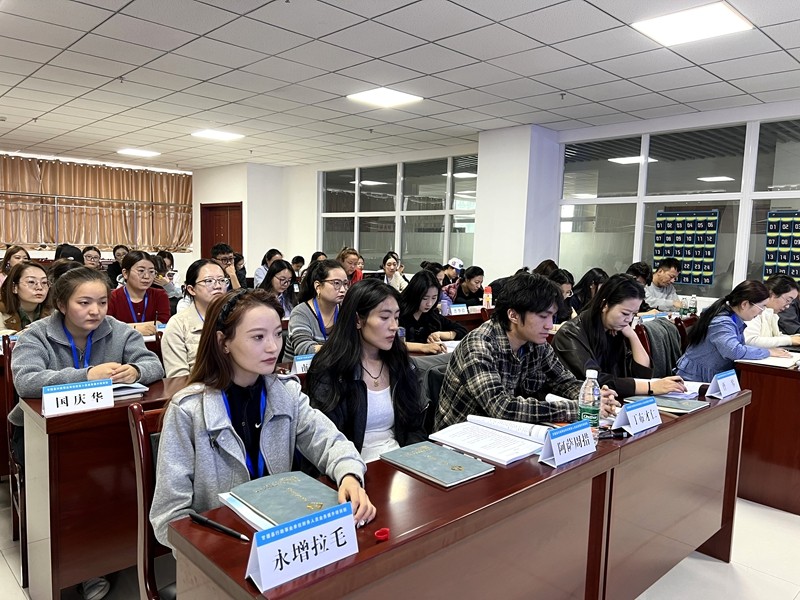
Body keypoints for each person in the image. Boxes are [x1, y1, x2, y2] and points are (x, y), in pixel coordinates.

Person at [150, 289, 375, 550]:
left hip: (281, 536)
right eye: (258, 337)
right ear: (223, 342)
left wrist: (349, 476)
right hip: (222, 548)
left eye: (278, 334)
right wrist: (216, 548)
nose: (273, 347)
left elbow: (331, 443)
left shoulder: (286, 393)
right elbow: (169, 518)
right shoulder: (188, 410)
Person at [10, 266, 164, 600]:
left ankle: (118, 550)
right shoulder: (36, 335)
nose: (95, 311)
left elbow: (155, 366)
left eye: (102, 302)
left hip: (104, 430)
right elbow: (26, 381)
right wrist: (87, 375)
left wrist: (135, 369)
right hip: (41, 435)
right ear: (61, 304)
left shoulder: (118, 330)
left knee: (134, 473)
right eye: (84, 303)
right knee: (74, 486)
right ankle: (83, 565)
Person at [435, 273, 619, 431]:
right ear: (513, 315)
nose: (549, 325)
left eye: (552, 316)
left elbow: (563, 381)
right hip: (459, 439)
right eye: (543, 316)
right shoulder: (479, 345)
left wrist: (592, 397)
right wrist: (576, 408)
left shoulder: (536, 343)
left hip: (503, 431)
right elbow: (501, 407)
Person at [306, 279, 427, 461]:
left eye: (396, 317)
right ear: (358, 320)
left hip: (400, 462)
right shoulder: (330, 369)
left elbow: (414, 427)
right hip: (349, 467)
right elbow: (325, 440)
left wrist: (413, 461)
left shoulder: (399, 363)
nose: (394, 326)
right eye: (384, 317)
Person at [553, 274, 687, 399]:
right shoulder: (570, 334)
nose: (629, 319)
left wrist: (632, 336)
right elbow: (596, 380)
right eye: (625, 313)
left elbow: (641, 374)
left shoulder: (615, 330)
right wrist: (650, 387)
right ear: (605, 305)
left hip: (610, 401)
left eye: (634, 314)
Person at [676, 280, 792, 382]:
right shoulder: (722, 322)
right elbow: (734, 351)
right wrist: (768, 352)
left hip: (713, 375)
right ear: (744, 304)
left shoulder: (733, 317)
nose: (762, 312)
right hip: (694, 379)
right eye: (761, 307)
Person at [161, 259, 228, 378]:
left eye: (222, 280)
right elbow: (178, 378)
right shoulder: (178, 324)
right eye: (209, 281)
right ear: (191, 289)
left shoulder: (236, 317)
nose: (218, 286)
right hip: (196, 388)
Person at [284, 259, 347, 361]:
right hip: (299, 369)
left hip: (333, 367)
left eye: (345, 284)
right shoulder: (300, 312)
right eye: (336, 283)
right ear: (318, 286)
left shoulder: (345, 310)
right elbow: (304, 349)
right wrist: (341, 350)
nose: (343, 289)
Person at [399, 270, 466, 354]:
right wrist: (423, 347)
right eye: (425, 298)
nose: (430, 303)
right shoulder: (398, 313)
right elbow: (394, 343)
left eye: (434, 298)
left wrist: (440, 335)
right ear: (414, 294)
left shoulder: (432, 315)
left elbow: (462, 330)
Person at [107, 250, 171, 335]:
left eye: (151, 271)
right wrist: (136, 329)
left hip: (153, 343)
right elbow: (107, 327)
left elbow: (163, 323)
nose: (147, 276)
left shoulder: (160, 295)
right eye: (141, 271)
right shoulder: (112, 297)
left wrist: (124, 328)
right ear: (125, 273)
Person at [744, 274, 800, 348]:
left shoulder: (771, 314)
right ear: (771, 294)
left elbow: (775, 337)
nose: (787, 306)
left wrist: (795, 338)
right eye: (788, 300)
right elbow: (750, 341)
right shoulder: (754, 310)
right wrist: (790, 340)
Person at [0, 262, 52, 334]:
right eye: (31, 282)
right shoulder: (1, 312)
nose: (39, 287)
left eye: (44, 282)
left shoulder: (54, 313)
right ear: (14, 287)